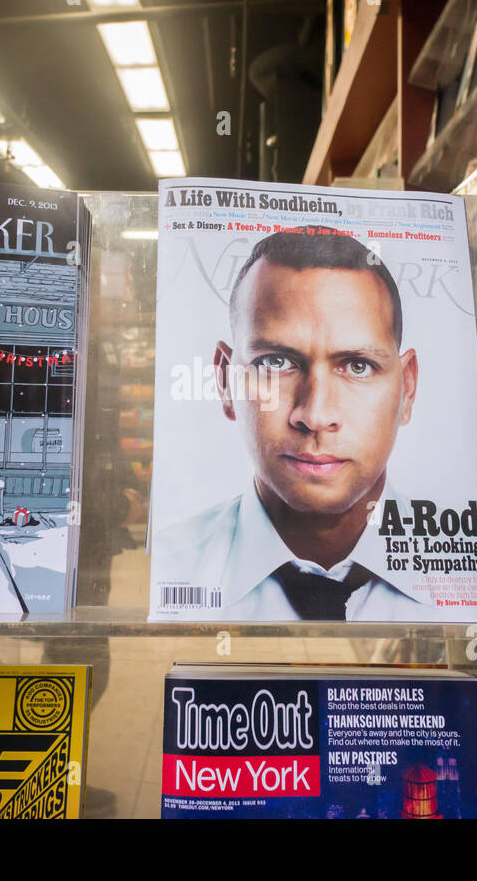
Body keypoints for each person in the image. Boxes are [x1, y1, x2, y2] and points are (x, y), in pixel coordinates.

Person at [156, 227, 438, 621]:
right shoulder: (166, 572)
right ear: (225, 381)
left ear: (407, 388)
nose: (316, 415)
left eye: (358, 366)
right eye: (275, 363)